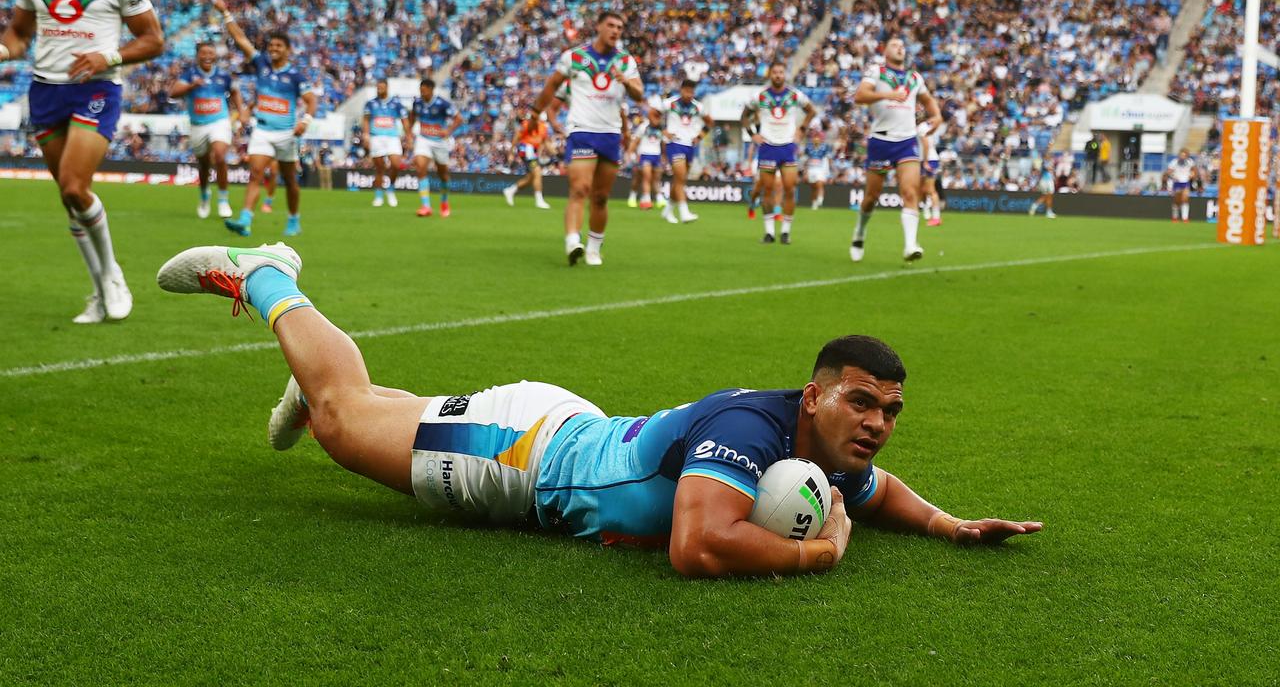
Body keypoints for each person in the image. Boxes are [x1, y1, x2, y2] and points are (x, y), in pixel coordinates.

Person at [155, 242, 1045, 577]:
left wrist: (950, 525)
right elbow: (698, 547)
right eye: (861, 402)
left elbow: (875, 488)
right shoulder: (747, 433)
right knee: (348, 424)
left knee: (360, 407)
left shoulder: (815, 440)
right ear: (814, 395)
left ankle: (313, 375)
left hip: (560, 431)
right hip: (522, 461)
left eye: (889, 410)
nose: (877, 424)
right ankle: (270, 276)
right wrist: (816, 552)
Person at [1, 0, 164, 323]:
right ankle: (99, 293)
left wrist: (109, 57)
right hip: (45, 91)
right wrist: (3, 49)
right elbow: (18, 33)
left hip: (96, 89)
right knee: (68, 198)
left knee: (75, 187)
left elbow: (153, 40)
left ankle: (112, 277)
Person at [532, 11, 644, 266]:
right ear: (598, 26)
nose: (616, 31)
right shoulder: (574, 57)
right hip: (582, 131)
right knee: (579, 189)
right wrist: (536, 112)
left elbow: (639, 94)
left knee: (601, 196)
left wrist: (626, 81)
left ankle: (594, 247)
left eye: (620, 27)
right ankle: (572, 241)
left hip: (610, 135)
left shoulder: (625, 61)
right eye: (611, 25)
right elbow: (551, 86)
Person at [213, 0, 316, 238]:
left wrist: (306, 121)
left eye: (278, 46)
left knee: (290, 181)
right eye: (271, 46)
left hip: (287, 134)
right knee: (255, 174)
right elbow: (240, 38)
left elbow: (312, 101)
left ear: (288, 50)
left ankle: (293, 219)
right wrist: (225, 13)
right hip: (263, 131)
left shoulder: (296, 77)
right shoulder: (262, 64)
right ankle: (245, 219)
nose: (273, 49)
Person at [850, 37, 941, 262]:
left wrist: (936, 117)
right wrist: (887, 95)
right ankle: (860, 232)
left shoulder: (914, 78)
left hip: (906, 141)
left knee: (910, 192)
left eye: (902, 46)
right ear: (885, 50)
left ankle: (910, 245)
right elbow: (860, 96)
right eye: (894, 45)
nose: (900, 48)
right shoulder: (876, 72)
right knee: (871, 197)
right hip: (880, 140)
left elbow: (929, 102)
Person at [741, 61, 817, 245]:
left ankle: (785, 232)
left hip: (787, 146)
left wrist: (802, 130)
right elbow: (744, 116)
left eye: (781, 72)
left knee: (790, 189)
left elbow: (811, 111)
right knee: (767, 190)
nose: (777, 75)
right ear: (770, 75)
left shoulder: (794, 95)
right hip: (767, 146)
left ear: (785, 74)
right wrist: (753, 135)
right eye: (774, 72)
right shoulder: (760, 96)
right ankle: (769, 233)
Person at [171, 42, 243, 220]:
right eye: (204, 53)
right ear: (197, 55)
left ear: (215, 55)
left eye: (211, 53)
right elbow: (173, 92)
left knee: (219, 156)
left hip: (219, 121)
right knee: (203, 164)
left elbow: (235, 92)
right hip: (197, 125)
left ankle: (223, 200)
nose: (207, 56)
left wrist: (241, 111)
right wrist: (191, 86)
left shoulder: (223, 76)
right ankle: (204, 196)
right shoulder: (189, 75)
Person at [653, 78, 712, 224]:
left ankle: (667, 211)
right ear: (681, 90)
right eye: (687, 91)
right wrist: (663, 131)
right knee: (680, 177)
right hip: (674, 143)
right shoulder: (670, 103)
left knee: (680, 180)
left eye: (692, 91)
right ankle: (684, 212)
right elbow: (653, 115)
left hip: (690, 145)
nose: (689, 94)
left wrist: (700, 136)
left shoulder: (698, 107)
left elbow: (710, 122)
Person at [408, 78, 462, 218]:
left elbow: (459, 119)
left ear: (431, 90)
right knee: (420, 168)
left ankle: (444, 201)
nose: (422, 93)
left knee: (443, 174)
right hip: (423, 139)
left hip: (439, 142)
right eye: (420, 90)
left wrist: (448, 131)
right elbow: (412, 116)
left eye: (424, 91)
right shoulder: (418, 102)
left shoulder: (442, 104)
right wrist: (408, 133)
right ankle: (426, 206)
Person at [362, 78, 410, 208]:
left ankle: (391, 189)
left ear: (387, 88)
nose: (379, 89)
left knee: (396, 164)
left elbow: (405, 120)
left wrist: (408, 136)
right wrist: (365, 136)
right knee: (379, 168)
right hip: (376, 137)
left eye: (381, 87)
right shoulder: (370, 104)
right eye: (378, 87)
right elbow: (366, 120)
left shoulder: (396, 103)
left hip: (392, 137)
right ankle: (378, 195)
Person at [502, 108, 553, 209]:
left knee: (531, 178)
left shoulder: (543, 127)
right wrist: (511, 151)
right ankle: (539, 200)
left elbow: (545, 142)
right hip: (526, 150)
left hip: (532, 152)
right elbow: (517, 136)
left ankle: (511, 190)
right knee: (537, 171)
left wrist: (557, 154)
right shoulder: (527, 124)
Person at [627, 113, 664, 211]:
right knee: (644, 177)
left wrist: (664, 156)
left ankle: (659, 199)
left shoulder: (661, 128)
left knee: (656, 178)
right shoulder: (643, 127)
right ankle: (641, 198)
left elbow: (663, 143)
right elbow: (635, 142)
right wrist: (630, 154)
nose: (657, 120)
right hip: (644, 154)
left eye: (658, 117)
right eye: (655, 117)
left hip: (656, 155)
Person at [917, 120, 944, 225]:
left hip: (929, 160)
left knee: (930, 190)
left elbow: (926, 145)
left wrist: (926, 162)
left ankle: (936, 218)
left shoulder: (921, 127)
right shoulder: (925, 126)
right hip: (925, 159)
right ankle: (926, 210)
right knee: (922, 188)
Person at [1165, 149, 1198, 223]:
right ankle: (1175, 217)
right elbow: (1169, 171)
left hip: (1185, 182)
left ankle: (1185, 218)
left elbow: (1195, 170)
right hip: (1177, 182)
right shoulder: (1174, 162)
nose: (1182, 157)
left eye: (1184, 155)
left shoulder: (1190, 161)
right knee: (1177, 201)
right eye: (1181, 155)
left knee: (1185, 199)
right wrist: (1172, 175)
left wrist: (1192, 175)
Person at [804, 131, 833, 210]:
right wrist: (805, 172)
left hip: (820, 169)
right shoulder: (808, 147)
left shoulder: (825, 147)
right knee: (813, 187)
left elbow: (829, 159)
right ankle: (814, 203)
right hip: (811, 169)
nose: (816, 139)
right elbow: (806, 160)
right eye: (815, 137)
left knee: (819, 183)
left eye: (818, 137)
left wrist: (829, 172)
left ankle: (820, 199)